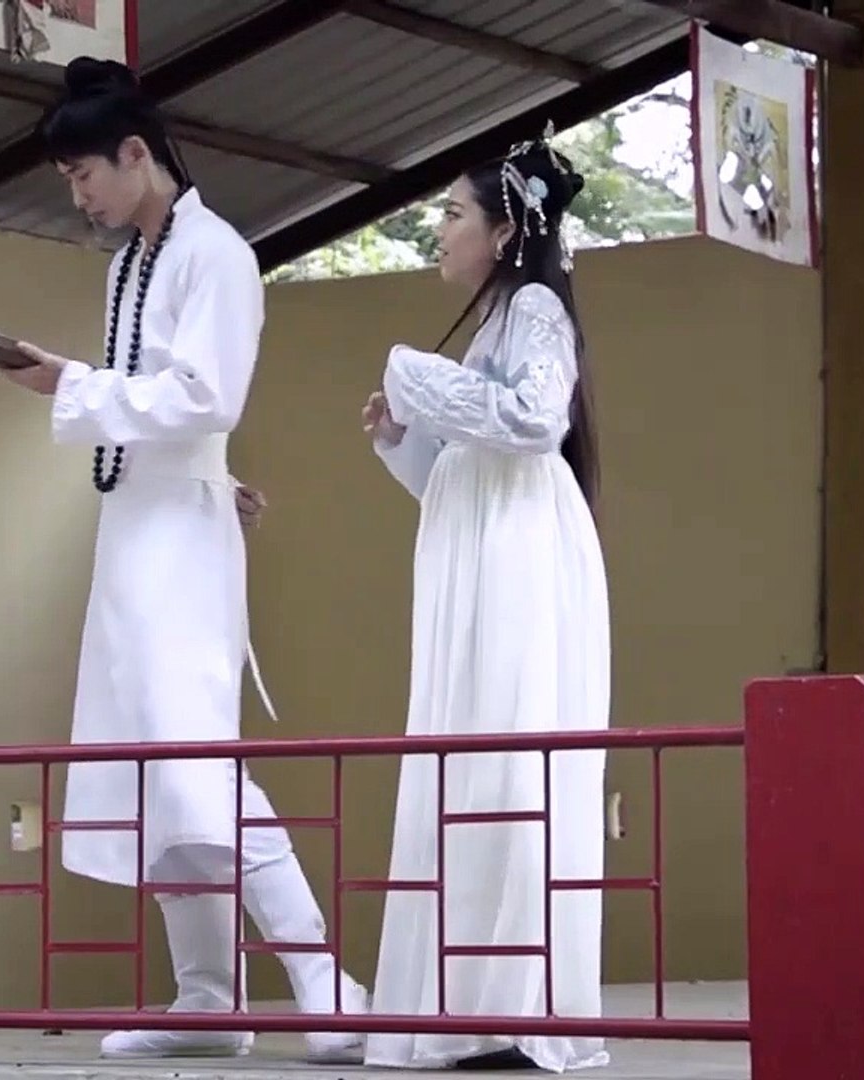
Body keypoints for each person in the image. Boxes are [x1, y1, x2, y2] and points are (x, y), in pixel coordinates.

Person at [0, 56, 366, 1064]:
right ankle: (208, 995)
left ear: (135, 154)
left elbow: (208, 395)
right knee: (156, 767)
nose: (78, 196)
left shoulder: (217, 254)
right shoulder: (132, 264)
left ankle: (324, 980)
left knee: (195, 763)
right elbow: (169, 412)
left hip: (177, 544)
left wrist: (71, 384)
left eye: (83, 175)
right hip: (135, 531)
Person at [360, 127, 612, 1072]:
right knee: (473, 756)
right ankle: (474, 1002)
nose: (440, 227)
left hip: (518, 557)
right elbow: (466, 469)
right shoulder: (499, 320)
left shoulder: (536, 307)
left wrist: (411, 372)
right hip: (483, 549)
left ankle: (514, 1002)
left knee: (507, 760)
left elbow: (535, 421)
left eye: (454, 212)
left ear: (506, 231)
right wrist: (403, 434)